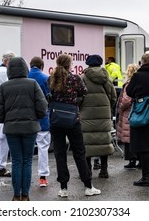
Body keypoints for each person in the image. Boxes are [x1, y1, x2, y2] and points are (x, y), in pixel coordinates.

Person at [0, 57, 48, 201]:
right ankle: (25, 195)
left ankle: (16, 195)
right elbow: (43, 108)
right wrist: (35, 117)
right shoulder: (33, 84)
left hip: (11, 129)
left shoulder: (4, 87)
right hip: (30, 128)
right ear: (25, 68)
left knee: (16, 161)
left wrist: (6, 120)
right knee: (27, 161)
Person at [48, 54, 101, 197]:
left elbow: (48, 94)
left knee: (60, 154)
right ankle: (88, 186)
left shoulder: (51, 78)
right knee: (79, 153)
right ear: (69, 64)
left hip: (56, 121)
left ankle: (63, 188)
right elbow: (84, 92)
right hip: (73, 119)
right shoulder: (75, 78)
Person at [125, 53, 149, 187]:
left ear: (142, 62)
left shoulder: (137, 76)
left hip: (140, 113)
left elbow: (129, 91)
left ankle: (145, 177)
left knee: (143, 146)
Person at [80, 54, 117, 179]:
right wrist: (107, 107)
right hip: (103, 113)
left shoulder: (83, 78)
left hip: (87, 113)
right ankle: (104, 170)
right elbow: (113, 96)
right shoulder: (106, 78)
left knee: (88, 141)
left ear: (88, 64)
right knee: (103, 140)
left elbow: (79, 96)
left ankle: (88, 171)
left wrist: (81, 107)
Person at [0, 51, 15, 177]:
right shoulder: (4, 72)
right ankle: (0, 167)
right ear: (7, 61)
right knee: (2, 137)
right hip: (1, 107)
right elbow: (11, 86)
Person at [28, 56, 51, 187]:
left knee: (26, 150)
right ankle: (42, 177)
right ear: (41, 66)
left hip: (26, 119)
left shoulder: (23, 78)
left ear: (31, 65)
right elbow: (49, 98)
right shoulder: (45, 78)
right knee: (43, 148)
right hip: (42, 119)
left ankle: (24, 176)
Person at [116, 63, 139, 169]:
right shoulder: (139, 83)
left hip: (127, 113)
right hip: (135, 112)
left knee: (128, 137)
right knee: (134, 136)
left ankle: (132, 160)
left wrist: (120, 107)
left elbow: (126, 99)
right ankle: (137, 159)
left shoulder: (129, 84)